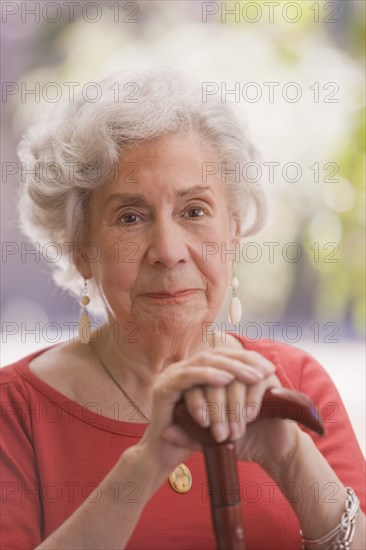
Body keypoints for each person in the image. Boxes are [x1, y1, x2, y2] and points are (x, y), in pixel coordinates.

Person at [1, 69, 364, 550]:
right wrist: (146, 462)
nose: (168, 250)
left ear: (233, 232)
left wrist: (294, 458)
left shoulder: (296, 382)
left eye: (194, 210)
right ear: (80, 247)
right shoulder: (16, 410)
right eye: (130, 217)